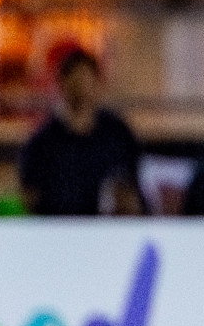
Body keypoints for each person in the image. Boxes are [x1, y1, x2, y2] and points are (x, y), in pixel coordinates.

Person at [19, 48, 144, 216]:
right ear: (61, 84)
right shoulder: (42, 142)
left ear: (98, 84)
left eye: (87, 80)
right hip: (58, 230)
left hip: (109, 230)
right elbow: (30, 197)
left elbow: (134, 184)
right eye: (76, 80)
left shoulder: (117, 134)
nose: (82, 88)